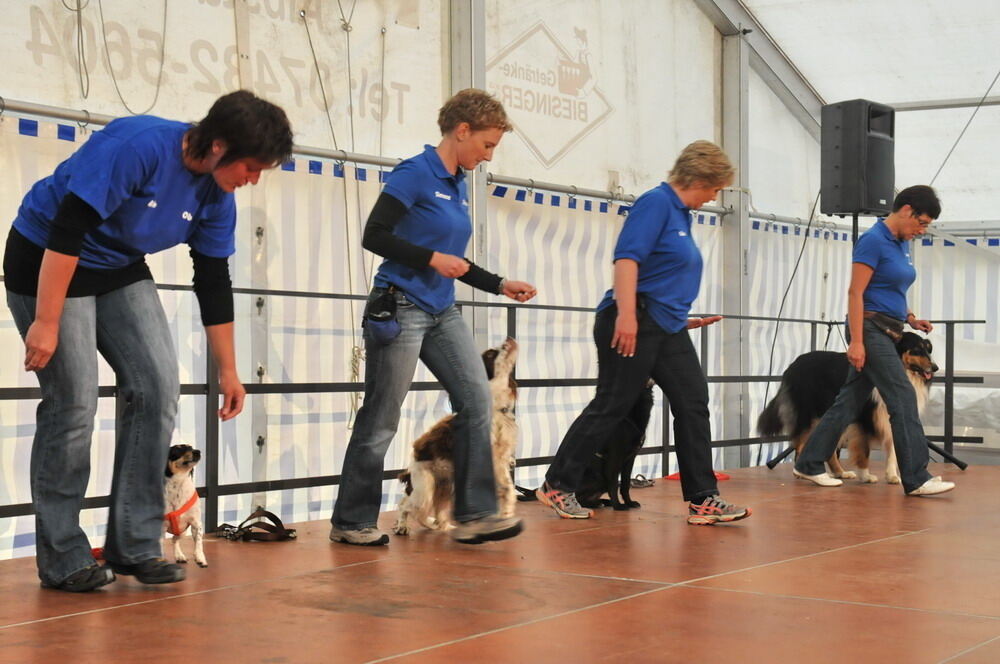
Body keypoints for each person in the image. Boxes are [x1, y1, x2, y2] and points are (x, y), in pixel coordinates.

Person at [3, 91, 293, 591]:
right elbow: (68, 229)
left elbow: (213, 278)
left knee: (158, 385)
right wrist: (46, 321)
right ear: (218, 146)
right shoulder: (138, 146)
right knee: (74, 402)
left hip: (116, 267)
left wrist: (228, 371)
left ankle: (134, 544)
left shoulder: (217, 198)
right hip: (49, 257)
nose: (253, 179)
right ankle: (63, 558)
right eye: (251, 166)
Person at [330, 88, 537, 546]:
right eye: (486, 144)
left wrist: (500, 283)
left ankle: (475, 514)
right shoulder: (416, 174)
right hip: (400, 305)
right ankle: (350, 521)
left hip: (442, 310)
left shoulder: (457, 183)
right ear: (461, 131)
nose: (487, 156)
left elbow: (454, 262)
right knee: (381, 417)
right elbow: (375, 235)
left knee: (478, 402)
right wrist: (428, 259)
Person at [537, 140, 752, 525]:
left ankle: (703, 498)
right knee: (613, 404)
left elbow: (662, 273)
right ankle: (557, 483)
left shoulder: (681, 213)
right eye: (714, 188)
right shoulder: (656, 203)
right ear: (699, 179)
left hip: (665, 325)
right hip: (634, 318)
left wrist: (680, 318)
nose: (713, 197)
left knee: (693, 400)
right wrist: (626, 316)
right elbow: (627, 258)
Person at [793, 185, 954, 496]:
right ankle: (916, 476)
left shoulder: (901, 243)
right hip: (869, 329)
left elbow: (892, 289)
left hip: (892, 328)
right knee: (902, 395)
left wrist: (910, 318)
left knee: (848, 401)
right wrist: (855, 342)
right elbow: (856, 293)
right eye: (921, 223)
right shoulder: (873, 241)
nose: (921, 231)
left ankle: (809, 461)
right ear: (906, 210)